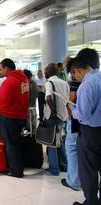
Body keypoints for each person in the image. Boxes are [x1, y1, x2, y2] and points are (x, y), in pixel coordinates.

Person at [69, 48, 101, 205]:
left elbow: (84, 115)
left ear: (79, 69)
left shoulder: (87, 85)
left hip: (90, 133)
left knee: (88, 169)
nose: (75, 77)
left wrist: (72, 108)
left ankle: (91, 202)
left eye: (74, 74)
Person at [0, 58, 29, 178]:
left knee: (11, 145)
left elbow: (1, 104)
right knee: (18, 143)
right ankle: (20, 167)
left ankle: (15, 171)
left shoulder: (9, 82)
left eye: (1, 68)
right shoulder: (23, 79)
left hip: (10, 117)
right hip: (21, 115)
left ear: (7, 68)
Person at [43, 63, 70, 176]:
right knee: (60, 141)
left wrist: (53, 111)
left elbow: (48, 97)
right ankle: (64, 165)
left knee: (51, 143)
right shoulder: (64, 83)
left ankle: (54, 169)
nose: (44, 72)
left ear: (49, 72)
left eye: (45, 70)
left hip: (53, 117)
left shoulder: (49, 82)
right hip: (63, 116)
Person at [61, 58, 81, 192]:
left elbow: (72, 98)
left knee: (72, 148)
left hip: (74, 118)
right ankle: (81, 179)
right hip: (83, 120)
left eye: (64, 63)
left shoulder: (74, 77)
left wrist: (69, 113)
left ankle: (73, 181)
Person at [23, 69, 38, 135]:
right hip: (33, 106)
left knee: (28, 126)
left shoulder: (25, 84)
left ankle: (30, 139)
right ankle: (34, 138)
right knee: (33, 123)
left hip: (27, 108)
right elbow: (37, 94)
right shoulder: (34, 83)